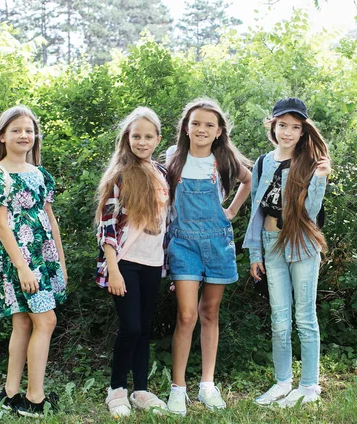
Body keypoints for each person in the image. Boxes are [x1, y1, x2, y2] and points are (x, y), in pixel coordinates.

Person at [165, 98, 252, 415]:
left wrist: (231, 211)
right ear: (186, 128)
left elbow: (249, 180)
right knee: (186, 315)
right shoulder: (174, 157)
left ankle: (207, 384)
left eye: (209, 125)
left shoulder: (224, 159)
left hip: (217, 243)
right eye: (196, 123)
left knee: (210, 312)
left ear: (218, 132)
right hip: (183, 244)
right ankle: (178, 388)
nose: (201, 129)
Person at [243, 97, 331, 408]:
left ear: (303, 130)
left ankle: (308, 385)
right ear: (273, 126)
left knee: (304, 317)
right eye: (283, 125)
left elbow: (310, 211)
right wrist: (255, 253)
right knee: (279, 320)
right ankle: (282, 382)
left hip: (302, 242)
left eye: (295, 127)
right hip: (270, 243)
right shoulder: (263, 163)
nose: (288, 132)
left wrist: (319, 179)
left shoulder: (310, 163)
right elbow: (255, 209)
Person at [0, 106, 67, 417]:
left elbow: (50, 220)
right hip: (18, 260)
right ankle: (34, 399)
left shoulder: (40, 174)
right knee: (46, 320)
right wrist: (22, 267)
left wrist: (61, 263)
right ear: (3, 136)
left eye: (29, 130)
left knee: (23, 322)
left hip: (43, 259)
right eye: (16, 129)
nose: (24, 135)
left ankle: (10, 392)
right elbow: (1, 225)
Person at [95, 107, 169, 418]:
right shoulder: (121, 175)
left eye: (148, 136)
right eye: (136, 135)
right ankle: (116, 390)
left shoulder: (162, 173)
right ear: (127, 138)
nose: (142, 141)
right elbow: (107, 225)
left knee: (144, 328)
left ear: (157, 139)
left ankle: (141, 390)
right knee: (130, 327)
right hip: (125, 263)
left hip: (153, 263)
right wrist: (113, 269)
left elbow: (168, 223)